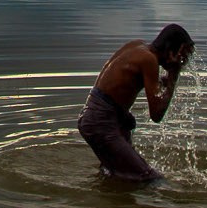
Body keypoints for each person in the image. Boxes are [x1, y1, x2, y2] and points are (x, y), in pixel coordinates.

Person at [78, 23, 195, 183]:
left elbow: (122, 84)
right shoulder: (149, 60)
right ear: (170, 52)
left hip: (100, 117)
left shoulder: (137, 46)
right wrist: (173, 76)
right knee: (150, 178)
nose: (184, 62)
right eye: (182, 56)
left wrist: (164, 82)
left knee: (115, 173)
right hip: (101, 122)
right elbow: (156, 115)